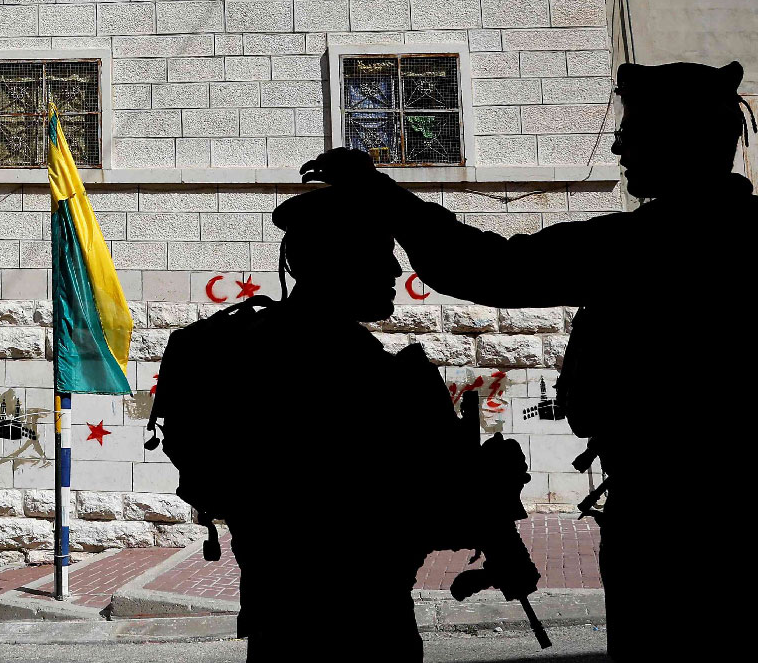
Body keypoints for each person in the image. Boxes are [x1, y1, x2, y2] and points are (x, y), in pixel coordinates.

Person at [301, 61, 758, 661]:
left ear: (676, 142)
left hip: (664, 527)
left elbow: (488, 268)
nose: (618, 145)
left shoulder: (635, 249)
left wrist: (385, 195)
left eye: (633, 132)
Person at [227, 185, 535, 662]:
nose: (395, 269)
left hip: (282, 612)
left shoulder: (257, 346)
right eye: (378, 253)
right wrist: (492, 488)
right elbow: (386, 507)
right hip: (357, 620)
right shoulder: (361, 371)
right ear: (335, 260)